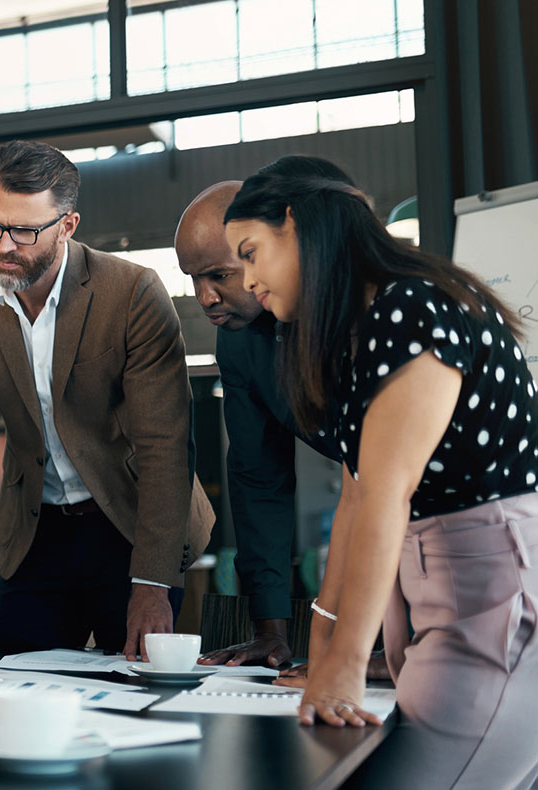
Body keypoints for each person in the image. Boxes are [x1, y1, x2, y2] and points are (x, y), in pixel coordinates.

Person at [225, 161, 538, 787]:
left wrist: (340, 666)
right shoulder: (363, 328)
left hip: (491, 596)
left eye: (251, 253)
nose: (248, 279)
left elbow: (386, 500)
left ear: (296, 222)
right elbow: (356, 496)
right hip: (433, 597)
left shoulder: (413, 308)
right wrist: (325, 645)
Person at [0, 140, 214, 659]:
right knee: (13, 683)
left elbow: (165, 445)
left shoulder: (132, 293)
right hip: (35, 531)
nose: (2, 245)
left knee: (140, 695)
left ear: (68, 225)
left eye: (24, 230)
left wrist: (153, 584)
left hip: (131, 523)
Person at [175, 160, 349, 668]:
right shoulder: (237, 344)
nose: (205, 297)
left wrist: (338, 640)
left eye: (221, 274)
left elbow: (381, 485)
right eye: (193, 279)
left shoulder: (354, 315)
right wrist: (270, 629)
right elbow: (259, 482)